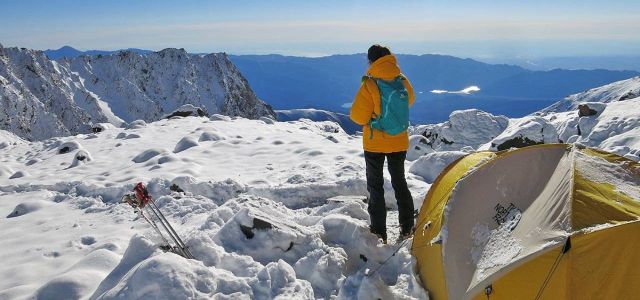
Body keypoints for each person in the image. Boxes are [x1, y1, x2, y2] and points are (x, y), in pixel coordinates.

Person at [350, 44, 415, 244]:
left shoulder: (370, 84)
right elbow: (409, 101)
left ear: (371, 61)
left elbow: (357, 116)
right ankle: (407, 228)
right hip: (399, 140)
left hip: (375, 143)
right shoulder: (401, 80)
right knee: (400, 182)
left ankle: (379, 233)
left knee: (376, 187)